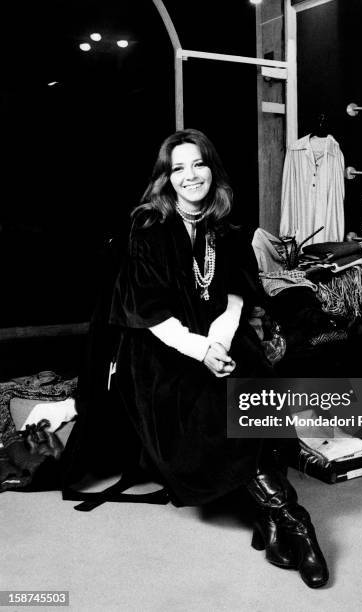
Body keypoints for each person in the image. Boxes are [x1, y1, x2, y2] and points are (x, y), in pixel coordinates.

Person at [66, 128, 328, 588]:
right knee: (211, 401)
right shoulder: (148, 226)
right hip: (161, 350)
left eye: (198, 164)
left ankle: (270, 521)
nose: (190, 176)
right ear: (166, 178)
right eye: (179, 167)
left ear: (212, 169)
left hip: (215, 338)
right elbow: (149, 314)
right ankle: (297, 524)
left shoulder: (225, 226)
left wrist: (221, 344)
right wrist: (202, 350)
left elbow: (232, 296)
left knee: (258, 387)